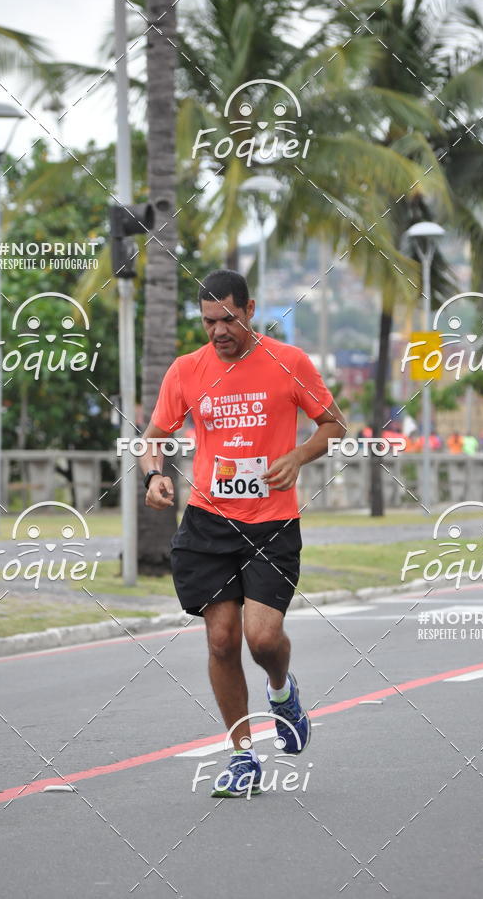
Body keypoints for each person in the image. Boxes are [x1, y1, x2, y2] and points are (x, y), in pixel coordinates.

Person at [139, 269, 346, 797]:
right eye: (209, 321)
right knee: (222, 638)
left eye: (228, 319)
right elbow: (153, 438)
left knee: (262, 638)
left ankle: (282, 692)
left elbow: (333, 424)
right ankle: (242, 756)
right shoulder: (188, 370)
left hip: (273, 523)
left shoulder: (289, 362)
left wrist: (298, 456)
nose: (218, 331)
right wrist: (155, 474)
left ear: (250, 309)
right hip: (209, 522)